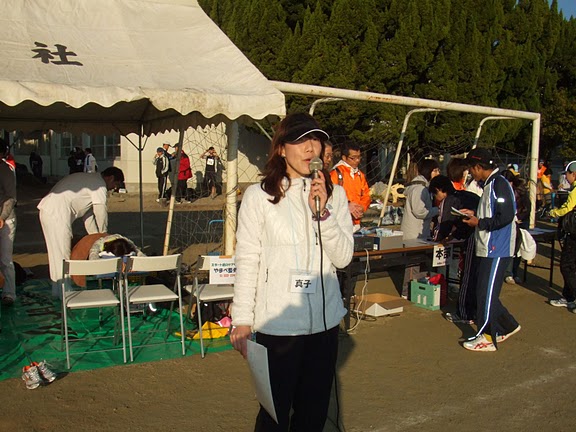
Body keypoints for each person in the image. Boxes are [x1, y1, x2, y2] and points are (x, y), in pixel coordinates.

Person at [230, 113, 353, 431]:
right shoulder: (259, 196)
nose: (311, 148)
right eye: (301, 141)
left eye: (316, 140)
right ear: (281, 149)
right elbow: (248, 259)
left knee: (313, 415)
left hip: (324, 327)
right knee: (273, 414)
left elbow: (343, 258)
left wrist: (323, 213)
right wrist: (241, 319)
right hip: (278, 326)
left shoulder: (335, 196)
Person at [460, 148, 521, 352]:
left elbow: (506, 215)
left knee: (485, 294)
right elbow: (493, 211)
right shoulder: (490, 185)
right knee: (485, 292)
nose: (470, 173)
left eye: (471, 169)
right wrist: (475, 214)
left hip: (497, 248)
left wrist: (480, 222)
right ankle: (508, 325)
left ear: (478, 167)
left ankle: (486, 337)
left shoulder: (499, 184)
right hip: (488, 247)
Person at [37, 167, 125, 297]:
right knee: (63, 254)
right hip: (57, 212)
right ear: (111, 178)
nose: (113, 188)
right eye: (115, 184)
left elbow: (88, 217)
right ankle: (66, 293)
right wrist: (104, 234)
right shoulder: (99, 185)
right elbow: (100, 210)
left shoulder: (91, 181)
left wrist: (96, 237)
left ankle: (58, 291)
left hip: (48, 210)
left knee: (56, 254)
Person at [429, 175, 480, 324]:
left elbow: (445, 224)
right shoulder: (468, 195)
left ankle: (464, 313)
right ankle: (476, 311)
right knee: (478, 277)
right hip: (486, 238)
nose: (436, 198)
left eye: (435, 194)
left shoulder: (449, 200)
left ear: (439, 189)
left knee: (467, 276)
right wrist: (454, 236)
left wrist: (439, 238)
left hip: (473, 238)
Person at [548, 160, 576, 312]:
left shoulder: (575, 191)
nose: (566, 177)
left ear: (574, 174)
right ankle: (568, 297)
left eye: (567, 174)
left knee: (566, 265)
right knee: (571, 266)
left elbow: (567, 208)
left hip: (573, 234)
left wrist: (553, 212)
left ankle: (572, 296)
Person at [330, 142, 370, 229]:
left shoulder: (360, 175)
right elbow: (331, 196)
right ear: (344, 158)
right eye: (353, 158)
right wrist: (347, 205)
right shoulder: (336, 173)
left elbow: (366, 195)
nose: (357, 160)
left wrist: (361, 207)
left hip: (356, 221)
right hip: (340, 222)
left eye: (359, 157)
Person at [502, 170, 531, 285]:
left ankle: (514, 272)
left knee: (517, 250)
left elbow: (527, 208)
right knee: (509, 249)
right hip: (507, 223)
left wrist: (519, 218)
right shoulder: (500, 191)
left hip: (519, 223)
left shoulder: (520, 192)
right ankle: (508, 273)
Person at [400, 158, 440, 240]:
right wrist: (437, 210)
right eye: (435, 171)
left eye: (438, 171)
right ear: (427, 171)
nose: (438, 173)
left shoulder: (423, 187)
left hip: (418, 232)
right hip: (414, 235)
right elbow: (419, 212)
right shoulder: (419, 189)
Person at [0, 138, 17, 306]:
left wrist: (2, 217)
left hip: (6, 219)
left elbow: (11, 197)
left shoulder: (6, 170)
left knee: (5, 258)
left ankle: (9, 293)